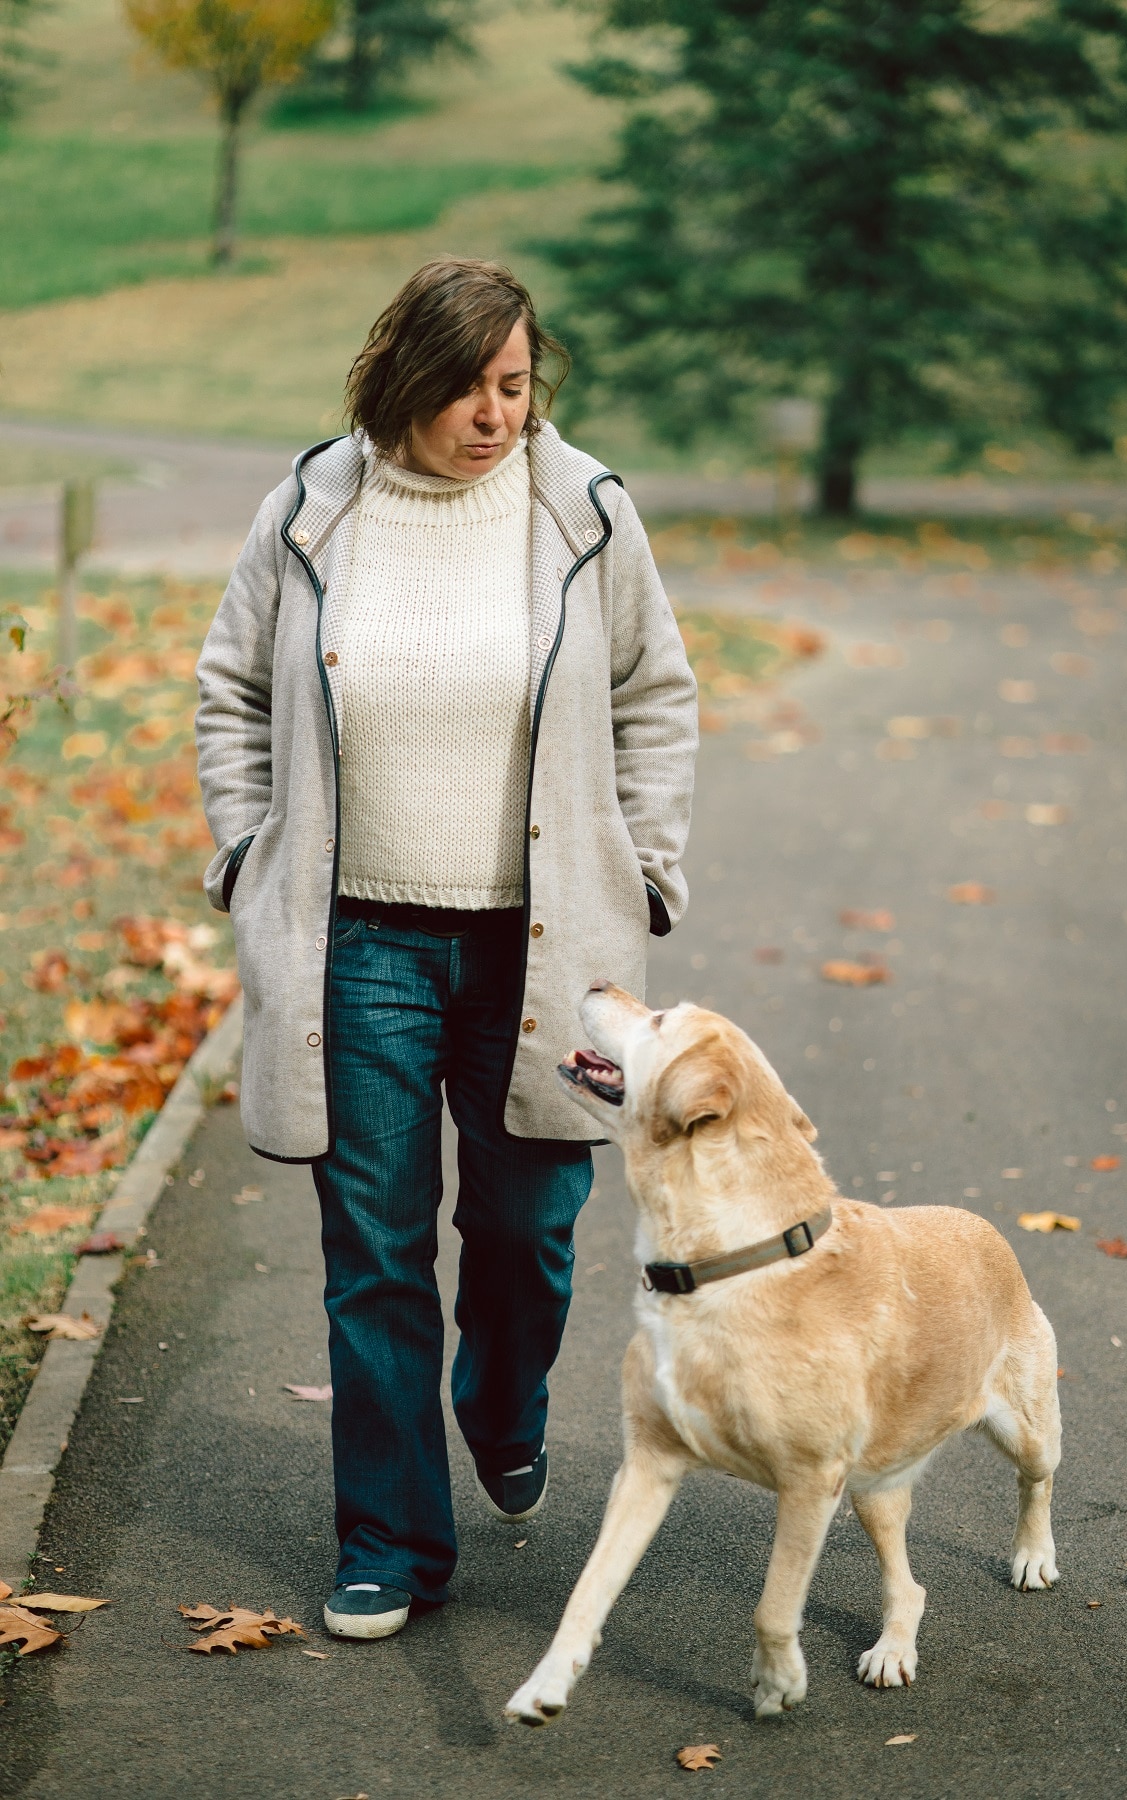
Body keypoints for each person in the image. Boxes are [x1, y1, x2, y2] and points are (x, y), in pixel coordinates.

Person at [194, 257, 698, 1641]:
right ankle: (386, 1542)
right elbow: (232, 687)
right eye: (469, 387)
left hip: (543, 946)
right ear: (401, 383)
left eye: (516, 387)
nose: (495, 416)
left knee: (530, 1232)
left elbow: (657, 690)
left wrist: (645, 866)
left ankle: (500, 1402)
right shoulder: (310, 510)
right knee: (372, 1249)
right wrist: (248, 850)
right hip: (359, 941)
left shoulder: (583, 512)